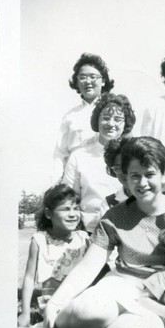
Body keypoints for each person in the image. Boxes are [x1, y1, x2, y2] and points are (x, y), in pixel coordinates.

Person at [43, 137, 165, 328]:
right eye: (135, 176)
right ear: (125, 178)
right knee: (87, 312)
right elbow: (89, 266)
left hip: (162, 297)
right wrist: (55, 303)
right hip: (122, 284)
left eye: (150, 174)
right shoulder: (114, 216)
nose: (142, 183)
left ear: (164, 174)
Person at [18, 184, 90, 328]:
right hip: (52, 304)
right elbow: (29, 278)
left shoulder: (84, 238)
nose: (73, 214)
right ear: (48, 213)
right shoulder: (40, 240)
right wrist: (25, 313)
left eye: (76, 208)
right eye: (65, 209)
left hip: (81, 300)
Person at [63, 93, 135, 233]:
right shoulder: (79, 156)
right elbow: (69, 198)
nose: (111, 124)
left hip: (128, 230)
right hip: (88, 230)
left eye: (118, 119)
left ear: (126, 123)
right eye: (105, 118)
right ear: (97, 120)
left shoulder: (134, 155)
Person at [53, 53, 115, 182]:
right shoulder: (70, 116)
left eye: (93, 77)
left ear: (103, 81)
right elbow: (60, 153)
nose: (88, 82)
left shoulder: (114, 110)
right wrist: (55, 182)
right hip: (75, 174)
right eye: (82, 77)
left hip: (107, 171)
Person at [100, 138, 132, 214]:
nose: (124, 172)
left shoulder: (156, 199)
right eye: (118, 168)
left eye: (128, 166)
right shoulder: (109, 204)